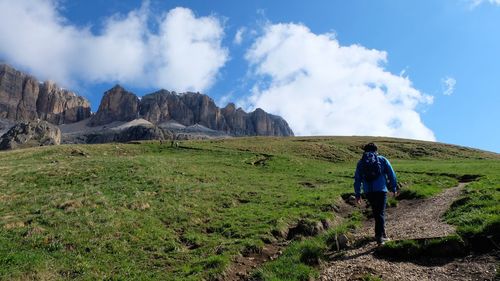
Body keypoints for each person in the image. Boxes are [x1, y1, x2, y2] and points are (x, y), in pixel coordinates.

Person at [354, 142, 398, 245]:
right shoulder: (382, 159)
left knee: (376, 212)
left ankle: (381, 234)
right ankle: (380, 237)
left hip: (368, 191)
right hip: (381, 190)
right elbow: (391, 174)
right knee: (380, 213)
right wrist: (393, 187)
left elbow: (357, 179)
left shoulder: (361, 163)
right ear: (376, 150)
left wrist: (357, 194)